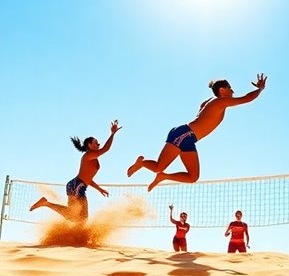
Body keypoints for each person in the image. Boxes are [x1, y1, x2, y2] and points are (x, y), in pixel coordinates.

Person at [127, 74, 267, 191]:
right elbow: (247, 98)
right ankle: (141, 163)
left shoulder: (217, 103)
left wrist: (205, 103)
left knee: (193, 177)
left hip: (190, 138)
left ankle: (164, 176)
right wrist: (260, 88)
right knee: (158, 167)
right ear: (222, 90)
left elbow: (202, 109)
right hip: (183, 135)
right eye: (230, 88)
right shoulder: (220, 102)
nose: (233, 91)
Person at [30, 120, 122, 223]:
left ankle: (46, 203)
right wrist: (113, 134)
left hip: (76, 184)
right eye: (96, 143)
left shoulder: (93, 157)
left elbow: (88, 179)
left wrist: (99, 189)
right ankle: (46, 204)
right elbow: (106, 149)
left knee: (74, 216)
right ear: (89, 145)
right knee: (82, 218)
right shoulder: (89, 155)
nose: (99, 144)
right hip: (78, 185)